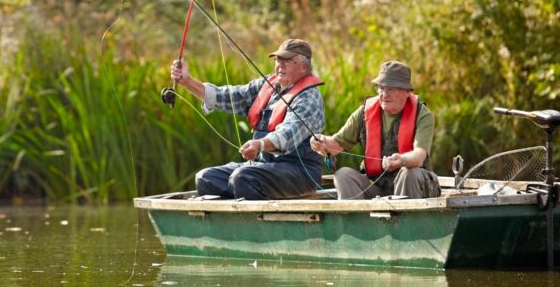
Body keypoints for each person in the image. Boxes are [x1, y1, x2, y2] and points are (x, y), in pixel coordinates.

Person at [169, 38, 325, 200]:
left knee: (244, 177)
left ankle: (260, 223)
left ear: (304, 67)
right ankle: (229, 223)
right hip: (262, 167)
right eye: (278, 60)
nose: (280, 65)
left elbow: (288, 133)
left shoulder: (309, 97)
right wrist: (187, 81)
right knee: (206, 178)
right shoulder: (267, 85)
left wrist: (260, 144)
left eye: (288, 61)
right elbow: (229, 97)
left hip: (299, 172)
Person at [310, 61, 439, 200]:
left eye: (391, 89)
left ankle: (408, 221)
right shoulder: (365, 112)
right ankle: (356, 221)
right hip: (378, 187)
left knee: (410, 173)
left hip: (415, 187)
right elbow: (335, 145)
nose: (384, 94)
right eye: (381, 88)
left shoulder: (422, 114)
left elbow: (419, 157)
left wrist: (401, 160)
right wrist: (322, 143)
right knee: (343, 175)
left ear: (407, 91)